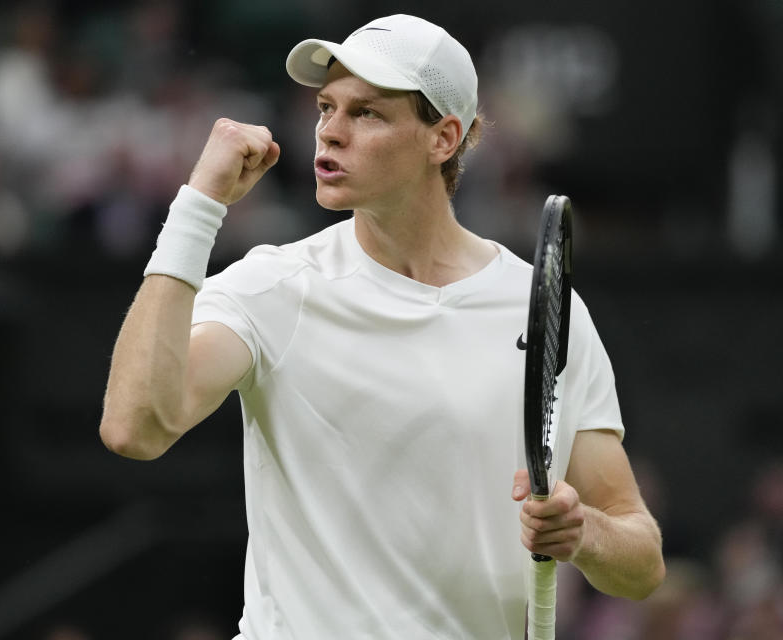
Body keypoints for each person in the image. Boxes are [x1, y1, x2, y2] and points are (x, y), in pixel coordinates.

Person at [99, 14, 665, 639]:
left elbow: (640, 564)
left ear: (443, 138)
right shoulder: (273, 288)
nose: (330, 133)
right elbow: (135, 427)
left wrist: (583, 532)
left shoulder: (540, 307)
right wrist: (198, 205)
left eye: (366, 113)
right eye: (324, 108)